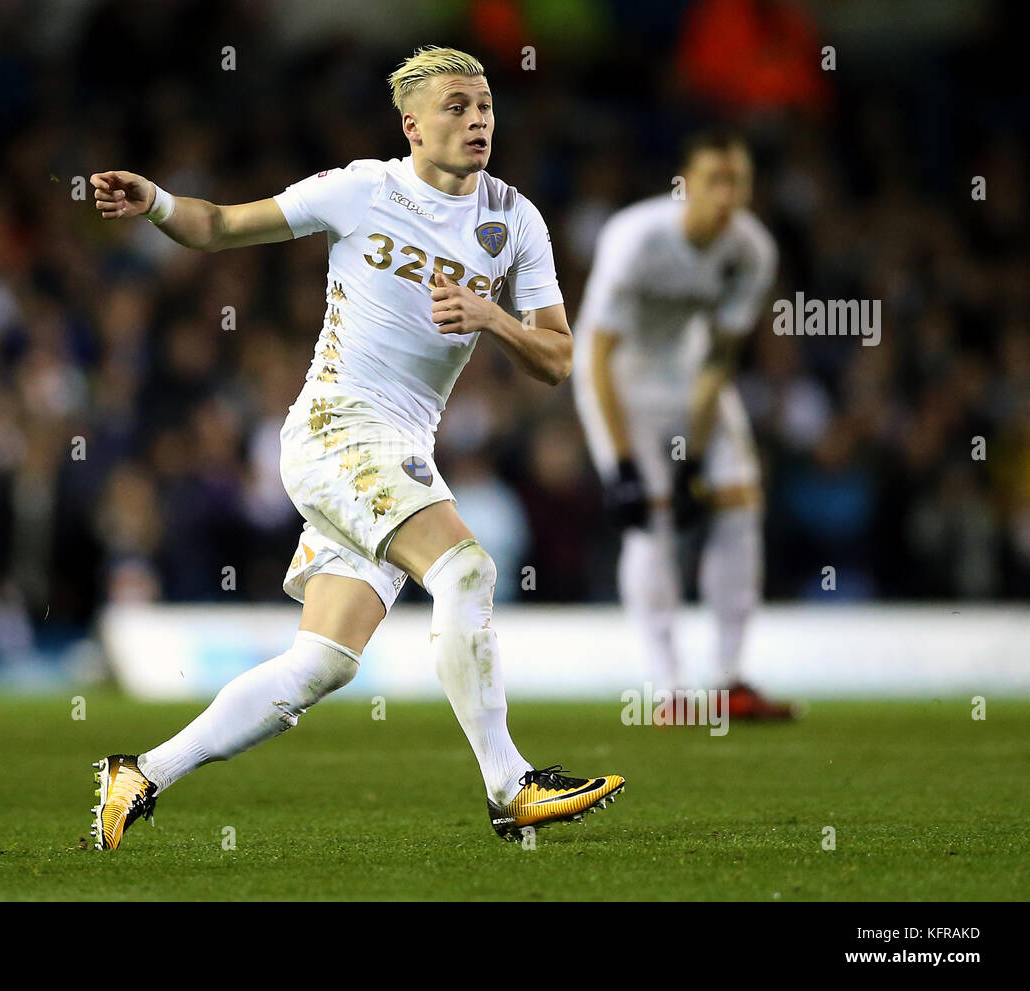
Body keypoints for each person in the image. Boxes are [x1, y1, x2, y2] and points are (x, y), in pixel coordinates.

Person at [89, 46, 625, 849]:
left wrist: (494, 319)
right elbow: (223, 225)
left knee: (324, 663)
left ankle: (141, 772)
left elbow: (555, 358)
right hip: (336, 429)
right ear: (412, 124)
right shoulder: (362, 189)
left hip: (402, 449)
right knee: (466, 568)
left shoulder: (515, 220)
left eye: (484, 105)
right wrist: (157, 199)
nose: (478, 119)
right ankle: (510, 784)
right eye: (456, 106)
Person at [572, 130, 794, 720]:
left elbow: (720, 357)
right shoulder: (636, 239)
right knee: (651, 520)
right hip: (620, 382)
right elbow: (596, 354)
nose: (726, 195)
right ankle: (669, 689)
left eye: (738, 182)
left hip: (692, 382)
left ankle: (729, 680)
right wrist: (622, 465)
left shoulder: (752, 251)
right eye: (714, 181)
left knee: (739, 501)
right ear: (686, 185)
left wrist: (692, 457)